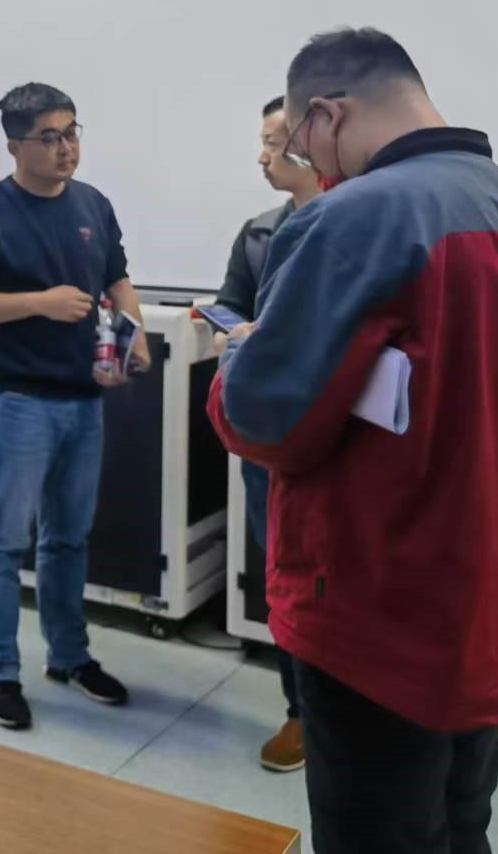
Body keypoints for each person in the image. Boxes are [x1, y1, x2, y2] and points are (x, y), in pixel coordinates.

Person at [208, 29, 498, 854]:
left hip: (375, 614)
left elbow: (263, 418)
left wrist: (239, 359)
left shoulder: (356, 216)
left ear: (327, 115)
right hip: (487, 603)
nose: (312, 165)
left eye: (301, 144)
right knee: (460, 824)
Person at [0, 83, 151, 731]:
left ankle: (69, 655)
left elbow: (117, 278)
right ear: (15, 146)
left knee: (68, 539)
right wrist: (41, 302)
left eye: (72, 132)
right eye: (50, 137)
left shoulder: (93, 205)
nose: (66, 148)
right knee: (3, 542)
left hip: (84, 399)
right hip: (20, 402)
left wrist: (134, 335)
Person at [216, 95, 322, 774]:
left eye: (273, 143)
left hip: (332, 436)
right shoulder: (258, 233)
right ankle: (300, 711)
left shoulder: (358, 221)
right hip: (267, 441)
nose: (262, 156)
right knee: (282, 574)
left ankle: (345, 715)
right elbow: (229, 304)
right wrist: (237, 334)